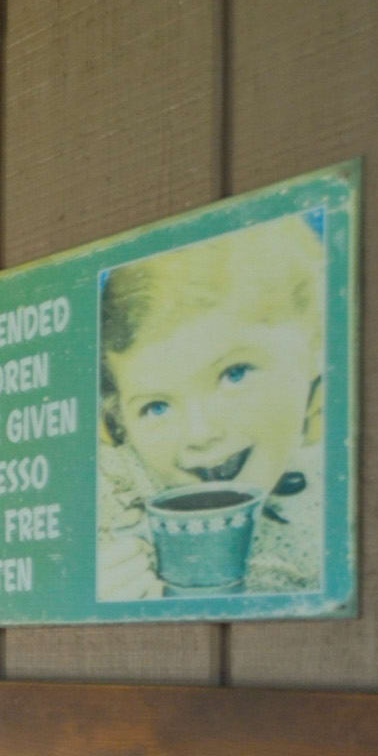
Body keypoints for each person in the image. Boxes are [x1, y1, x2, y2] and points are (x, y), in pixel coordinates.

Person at [93, 216, 329, 600]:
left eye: (235, 373)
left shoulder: (334, 502)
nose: (201, 433)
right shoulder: (115, 513)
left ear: (315, 343)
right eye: (156, 407)